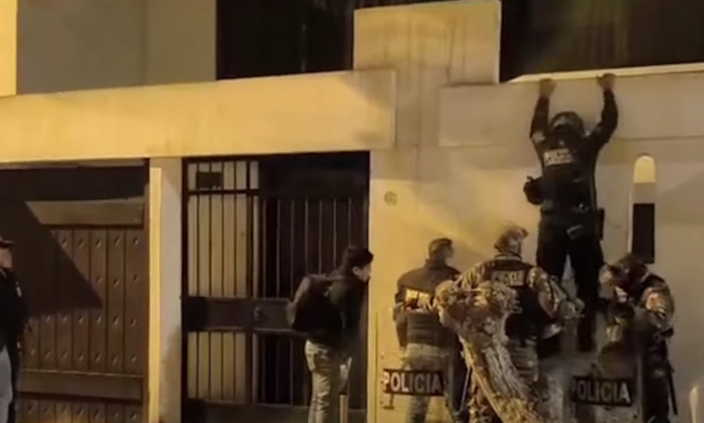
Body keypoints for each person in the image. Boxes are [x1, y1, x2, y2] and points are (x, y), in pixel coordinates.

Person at [525, 73, 619, 353]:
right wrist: (607, 91)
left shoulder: (544, 146)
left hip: (551, 225)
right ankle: (585, 337)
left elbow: (535, 129)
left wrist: (543, 96)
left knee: (548, 281)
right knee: (587, 283)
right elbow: (607, 125)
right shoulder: (584, 146)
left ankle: (548, 340)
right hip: (581, 225)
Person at [456, 225, 582, 423]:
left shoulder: (479, 272)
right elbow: (561, 310)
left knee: (484, 407)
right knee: (521, 407)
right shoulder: (533, 274)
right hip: (521, 350)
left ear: (497, 246)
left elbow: (453, 301)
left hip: (487, 351)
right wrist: (571, 311)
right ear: (519, 246)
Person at [393, 238, 468, 423]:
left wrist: (403, 345)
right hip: (443, 347)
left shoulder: (407, 279)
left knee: (418, 403)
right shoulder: (454, 280)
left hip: (414, 347)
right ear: (447, 254)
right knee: (455, 402)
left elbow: (399, 315)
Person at [599, 253, 675, 423]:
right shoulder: (620, 291)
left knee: (654, 414)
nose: (618, 289)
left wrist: (634, 314)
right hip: (623, 360)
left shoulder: (654, 290)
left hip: (649, 360)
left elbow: (661, 319)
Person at [300, 245, 373, 423]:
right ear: (356, 270)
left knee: (318, 398)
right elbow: (349, 324)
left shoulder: (335, 280)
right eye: (368, 268)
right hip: (328, 350)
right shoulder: (350, 289)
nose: (370, 273)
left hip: (314, 345)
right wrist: (348, 353)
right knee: (326, 401)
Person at [0, 236, 27, 423]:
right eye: (3, 249)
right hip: (0, 345)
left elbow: (20, 307)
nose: (8, 253)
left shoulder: (10, 278)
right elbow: (8, 310)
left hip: (10, 344)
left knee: (9, 396)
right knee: (4, 396)